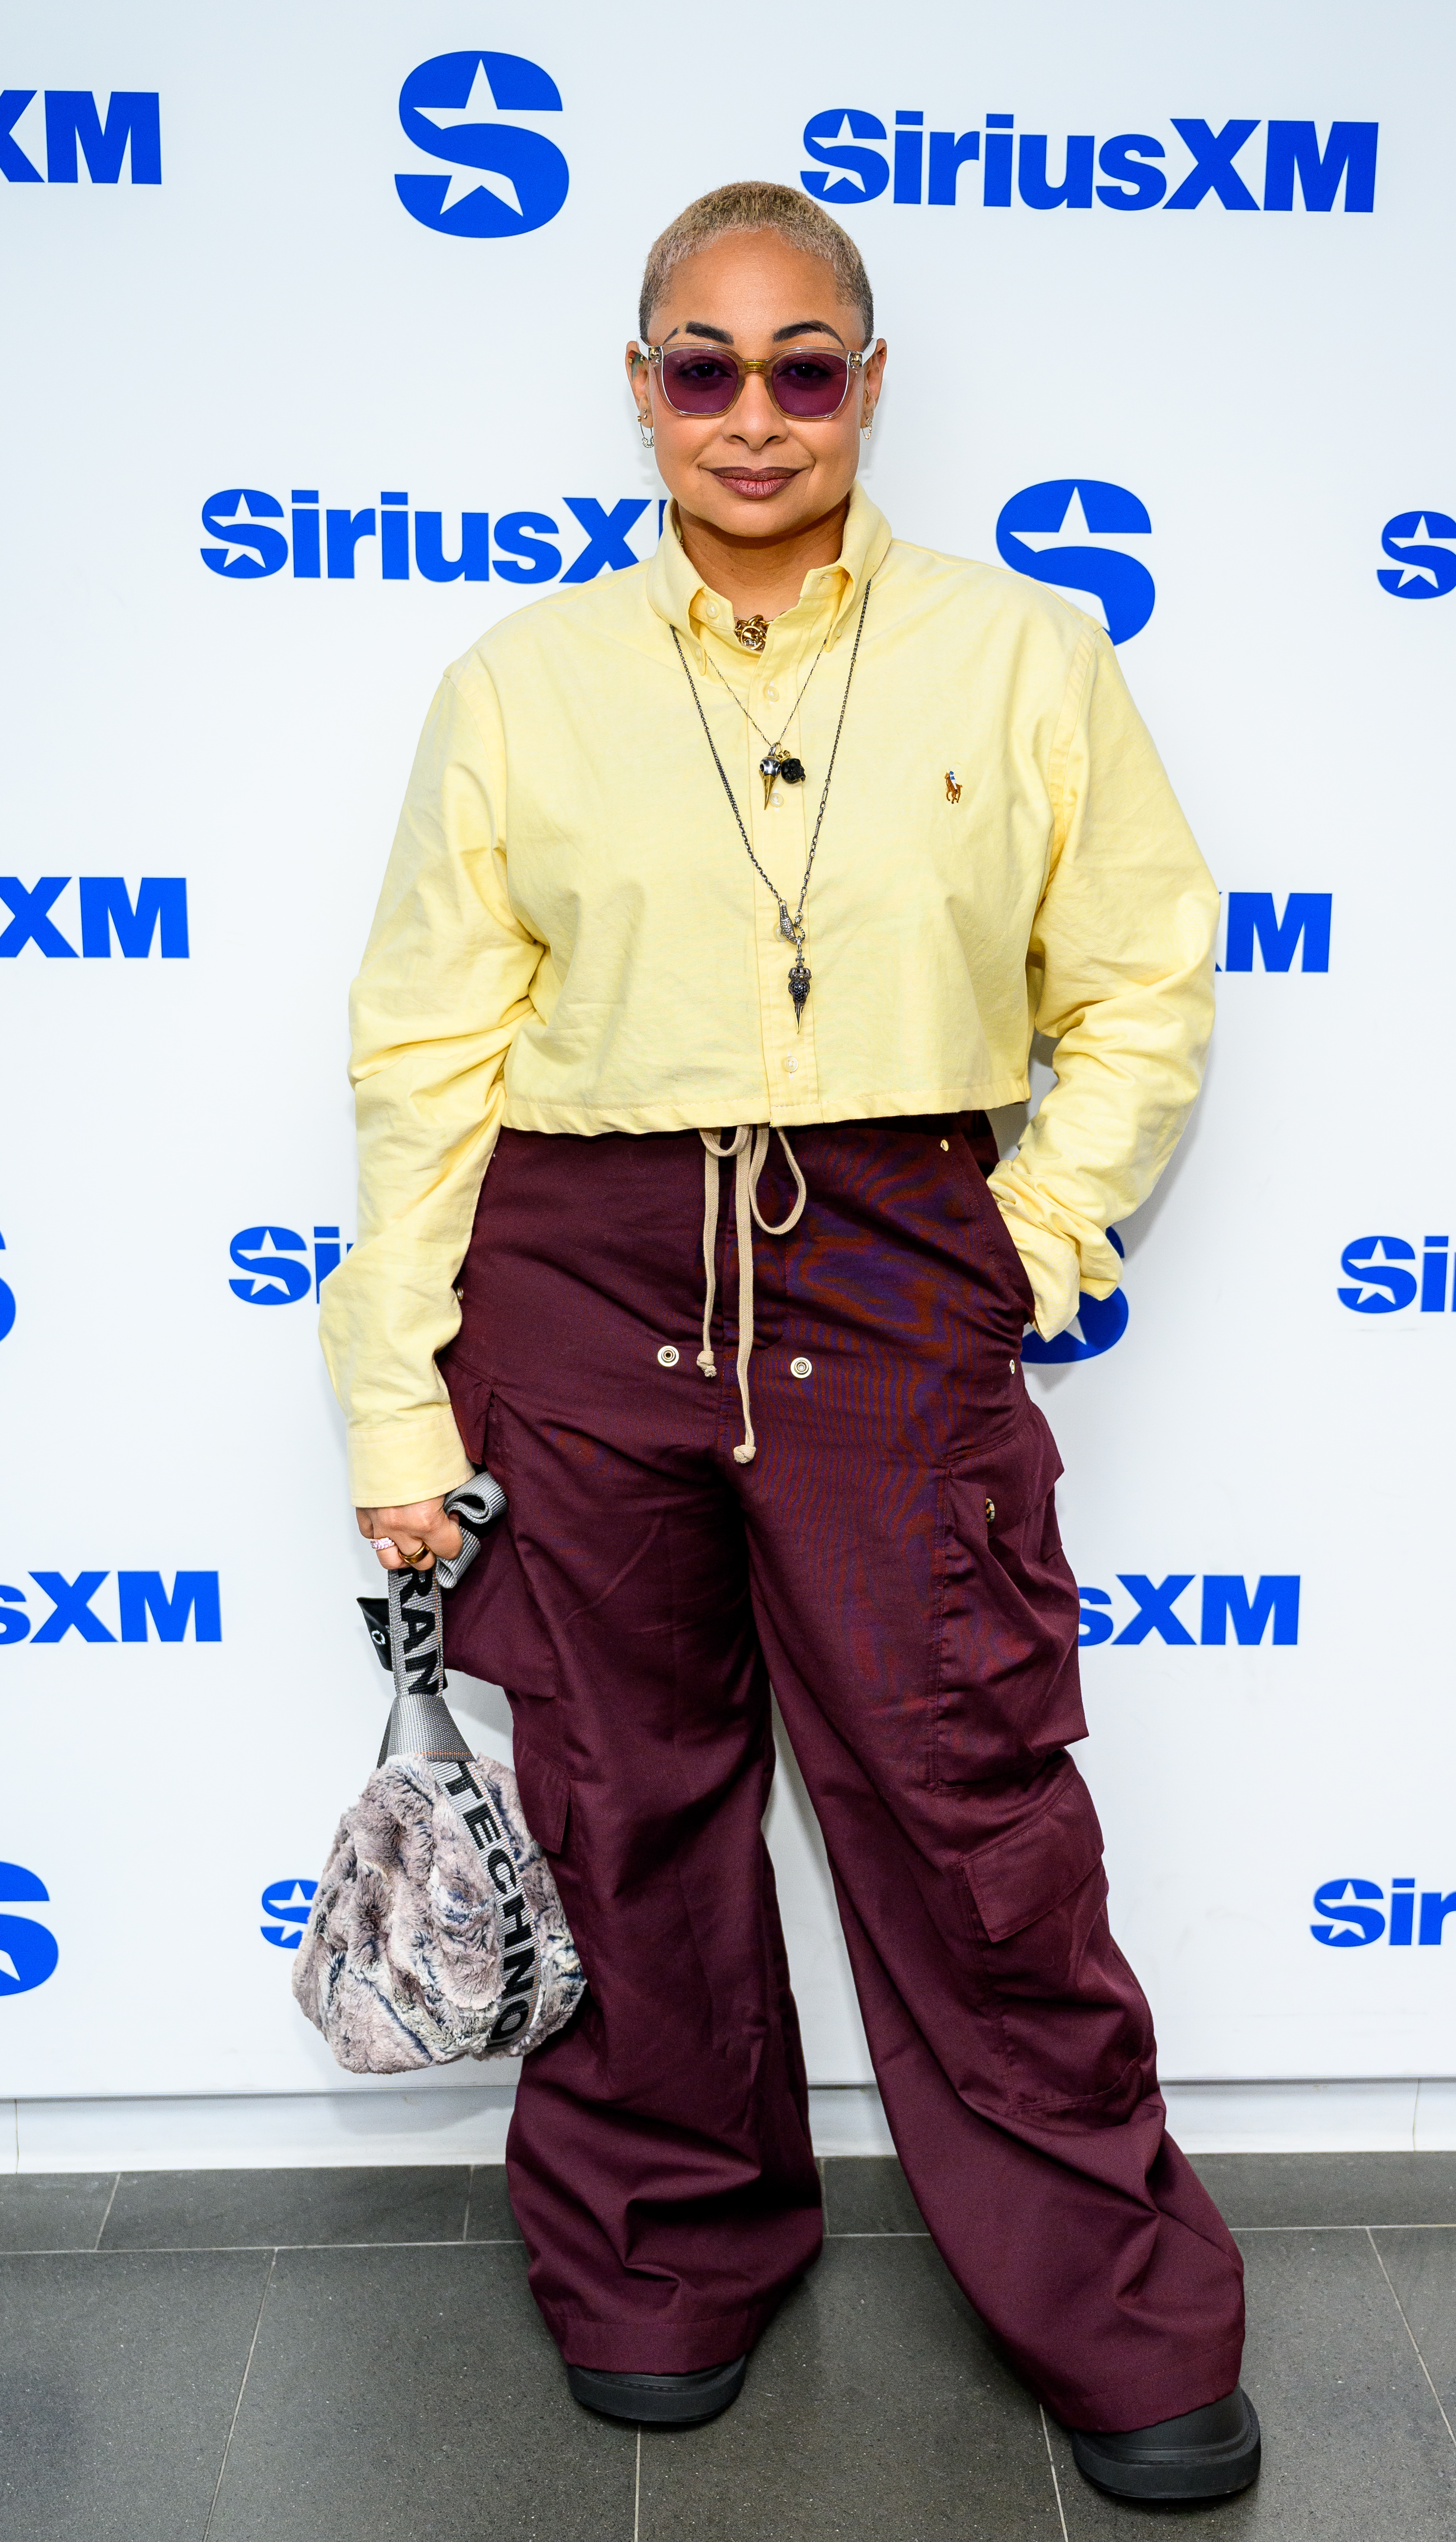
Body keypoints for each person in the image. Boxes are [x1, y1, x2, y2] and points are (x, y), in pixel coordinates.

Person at [320, 179, 1257, 2504]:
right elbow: (428, 1055)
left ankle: (1107, 2299)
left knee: (967, 1808)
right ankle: (659, 2249)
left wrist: (1021, 1235)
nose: (755, 413)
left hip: (888, 1262)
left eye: (803, 362)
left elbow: (1137, 982)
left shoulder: (1020, 652)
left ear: (865, 381)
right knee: (624, 1801)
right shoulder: (519, 685)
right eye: (705, 366)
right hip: (581, 1268)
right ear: (638, 388)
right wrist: (389, 1385)